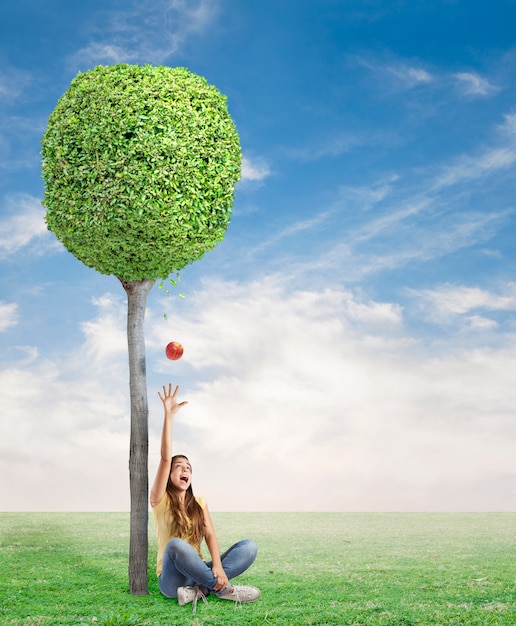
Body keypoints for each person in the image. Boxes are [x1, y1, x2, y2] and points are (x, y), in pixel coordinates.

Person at [150, 383, 260, 613]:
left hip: (198, 571)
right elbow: (163, 457)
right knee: (175, 545)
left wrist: (218, 566)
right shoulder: (159, 500)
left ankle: (199, 589)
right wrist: (168, 416)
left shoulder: (199, 502)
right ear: (169, 473)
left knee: (249, 547)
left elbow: (210, 535)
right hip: (172, 580)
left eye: (188, 468)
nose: (185, 471)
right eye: (179, 467)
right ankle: (225, 590)